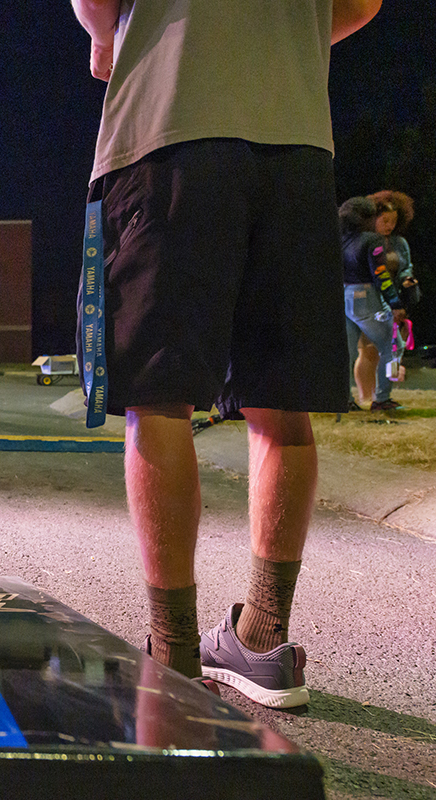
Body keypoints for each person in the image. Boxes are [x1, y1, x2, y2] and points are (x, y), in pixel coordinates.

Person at [71, 0, 380, 707]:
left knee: (159, 395)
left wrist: (104, 39)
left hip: (170, 127)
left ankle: (173, 651)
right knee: (282, 400)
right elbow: (363, 4)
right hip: (298, 142)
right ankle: (264, 637)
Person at [352, 191, 420, 404]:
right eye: (385, 220)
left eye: (394, 221)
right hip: (370, 299)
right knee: (369, 350)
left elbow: (406, 267)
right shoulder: (365, 242)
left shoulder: (399, 243)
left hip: (393, 300)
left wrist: (407, 280)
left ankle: (382, 395)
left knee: (391, 348)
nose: (390, 225)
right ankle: (369, 396)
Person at [342, 197, 406, 411]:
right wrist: (395, 303)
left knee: (347, 352)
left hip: (344, 296)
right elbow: (381, 274)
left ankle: (344, 399)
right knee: (394, 346)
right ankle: (383, 398)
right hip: (366, 297)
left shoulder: (342, 239)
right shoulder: (372, 240)